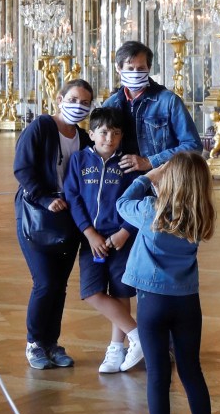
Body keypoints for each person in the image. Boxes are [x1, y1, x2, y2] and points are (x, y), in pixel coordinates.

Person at [116, 151, 217, 414]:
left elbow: (121, 203)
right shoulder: (201, 216)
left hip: (152, 302)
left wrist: (148, 176)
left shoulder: (150, 210)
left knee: (158, 374)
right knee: (191, 370)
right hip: (187, 301)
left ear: (168, 181)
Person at [13, 78, 94, 370]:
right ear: (60, 98)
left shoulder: (85, 139)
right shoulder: (41, 127)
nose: (78, 106)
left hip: (68, 219)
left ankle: (52, 343)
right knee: (45, 282)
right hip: (37, 215)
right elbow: (22, 167)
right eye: (73, 100)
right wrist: (45, 198)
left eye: (85, 102)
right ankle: (34, 342)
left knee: (59, 286)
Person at [64, 106, 142, 373]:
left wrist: (124, 232)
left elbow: (138, 200)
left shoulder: (127, 164)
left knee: (121, 292)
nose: (109, 138)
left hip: (121, 239)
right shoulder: (79, 161)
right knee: (92, 292)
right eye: (104, 132)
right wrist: (89, 233)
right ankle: (138, 335)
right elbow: (73, 198)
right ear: (92, 133)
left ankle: (115, 349)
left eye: (116, 133)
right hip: (91, 240)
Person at [103, 41, 202, 175]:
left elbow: (193, 145)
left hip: (162, 180)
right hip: (120, 183)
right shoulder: (110, 105)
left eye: (141, 68)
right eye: (130, 68)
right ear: (118, 69)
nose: (136, 73)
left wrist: (150, 161)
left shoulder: (169, 101)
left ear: (149, 68)